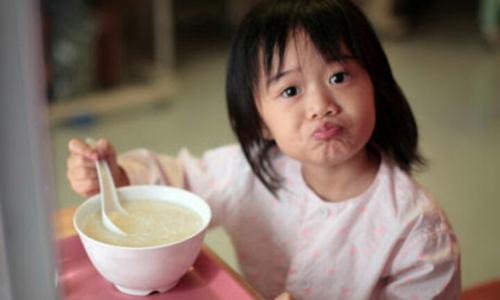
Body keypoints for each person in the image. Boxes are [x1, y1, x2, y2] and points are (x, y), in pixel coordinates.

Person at [66, 0, 461, 299]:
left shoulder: (416, 229)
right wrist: (115, 176)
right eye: (290, 90)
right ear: (259, 122)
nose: (321, 104)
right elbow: (178, 183)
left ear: (377, 84)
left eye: (339, 76)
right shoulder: (248, 169)